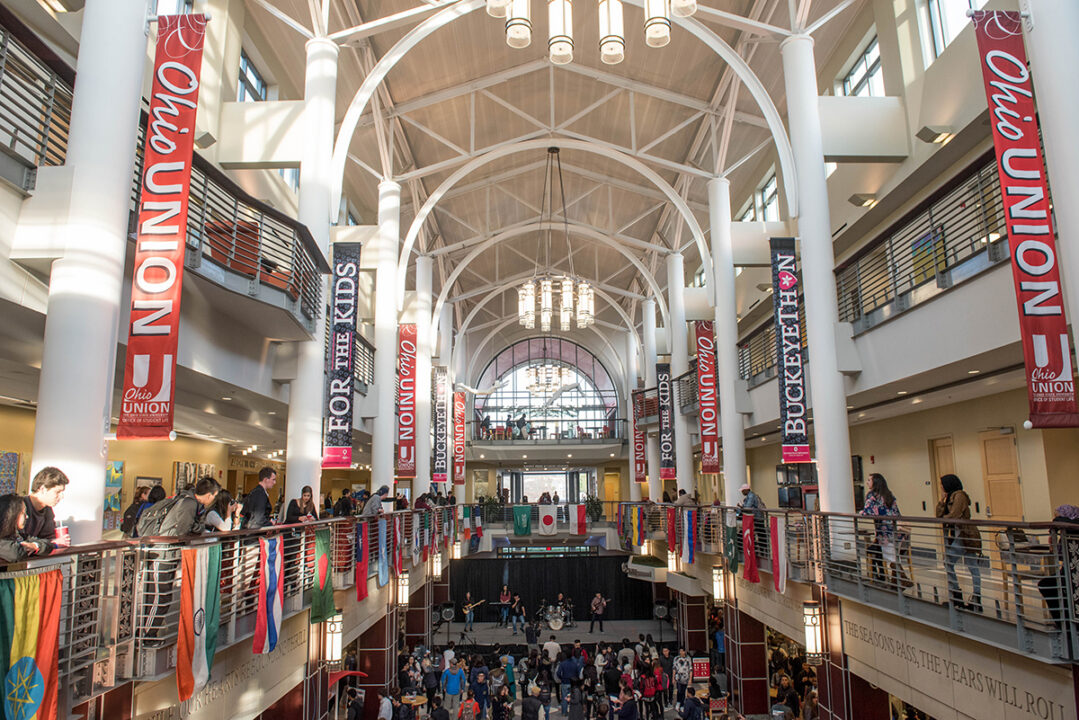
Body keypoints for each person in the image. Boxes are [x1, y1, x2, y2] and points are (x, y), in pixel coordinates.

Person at [935, 474, 983, 611]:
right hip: (957, 535)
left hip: (966, 535)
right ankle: (960, 596)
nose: (941, 487)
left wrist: (945, 517)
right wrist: (942, 500)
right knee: (958, 564)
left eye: (942, 484)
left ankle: (972, 597)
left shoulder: (960, 496)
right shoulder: (948, 497)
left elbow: (954, 515)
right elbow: (938, 515)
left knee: (964, 564)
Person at [860, 473, 910, 587]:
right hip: (894, 530)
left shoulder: (872, 496)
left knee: (889, 555)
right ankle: (895, 581)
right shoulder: (888, 495)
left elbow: (867, 512)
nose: (867, 482)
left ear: (875, 482)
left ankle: (902, 578)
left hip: (883, 531)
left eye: (869, 480)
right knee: (892, 553)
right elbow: (896, 512)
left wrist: (861, 513)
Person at [1038, 505, 1079, 626]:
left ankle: (1066, 623)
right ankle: (1065, 622)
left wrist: (1054, 528)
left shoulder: (1073, 528)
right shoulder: (1068, 532)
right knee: (1049, 585)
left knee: (1050, 586)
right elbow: (1061, 556)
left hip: (1072, 574)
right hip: (1068, 572)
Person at [23, 466, 70, 552]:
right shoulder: (19, 507)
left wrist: (55, 542)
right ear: (43, 489)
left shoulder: (47, 510)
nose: (61, 496)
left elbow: (49, 537)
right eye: (58, 492)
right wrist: (53, 543)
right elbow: (18, 541)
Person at [0, 494, 47, 562]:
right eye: (23, 513)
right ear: (12, 515)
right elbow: (15, 554)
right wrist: (27, 547)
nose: (27, 517)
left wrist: (35, 546)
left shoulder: (17, 536)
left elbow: (47, 544)